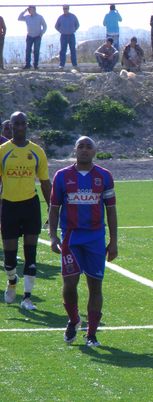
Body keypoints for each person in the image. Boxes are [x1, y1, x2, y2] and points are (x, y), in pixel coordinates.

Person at [48, 136, 117, 347]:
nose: (84, 150)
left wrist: (114, 241)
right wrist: (53, 236)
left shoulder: (104, 176)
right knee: (69, 283)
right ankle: (74, 319)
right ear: (75, 150)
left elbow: (111, 210)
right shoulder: (62, 176)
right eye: (81, 146)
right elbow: (54, 208)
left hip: (95, 238)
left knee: (95, 285)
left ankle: (92, 334)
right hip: (71, 237)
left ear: (95, 151)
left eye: (89, 147)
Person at [0, 112, 51, 311]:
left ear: (27, 125)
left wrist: (52, 207)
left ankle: (27, 298)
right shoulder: (3, 151)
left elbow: (45, 182)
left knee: (31, 254)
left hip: (30, 206)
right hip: (9, 206)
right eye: (16, 123)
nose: (20, 126)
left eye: (23, 123)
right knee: (9, 258)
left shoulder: (37, 151)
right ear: (10, 126)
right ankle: (12, 280)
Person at [55, 5, 80, 69]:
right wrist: (61, 31)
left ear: (68, 9)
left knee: (73, 50)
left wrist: (74, 30)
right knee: (63, 51)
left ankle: (75, 65)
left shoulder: (73, 16)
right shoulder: (60, 17)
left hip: (71, 35)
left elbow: (77, 25)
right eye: (63, 9)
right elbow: (56, 26)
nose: (64, 10)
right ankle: (61, 65)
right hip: (63, 36)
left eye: (66, 8)